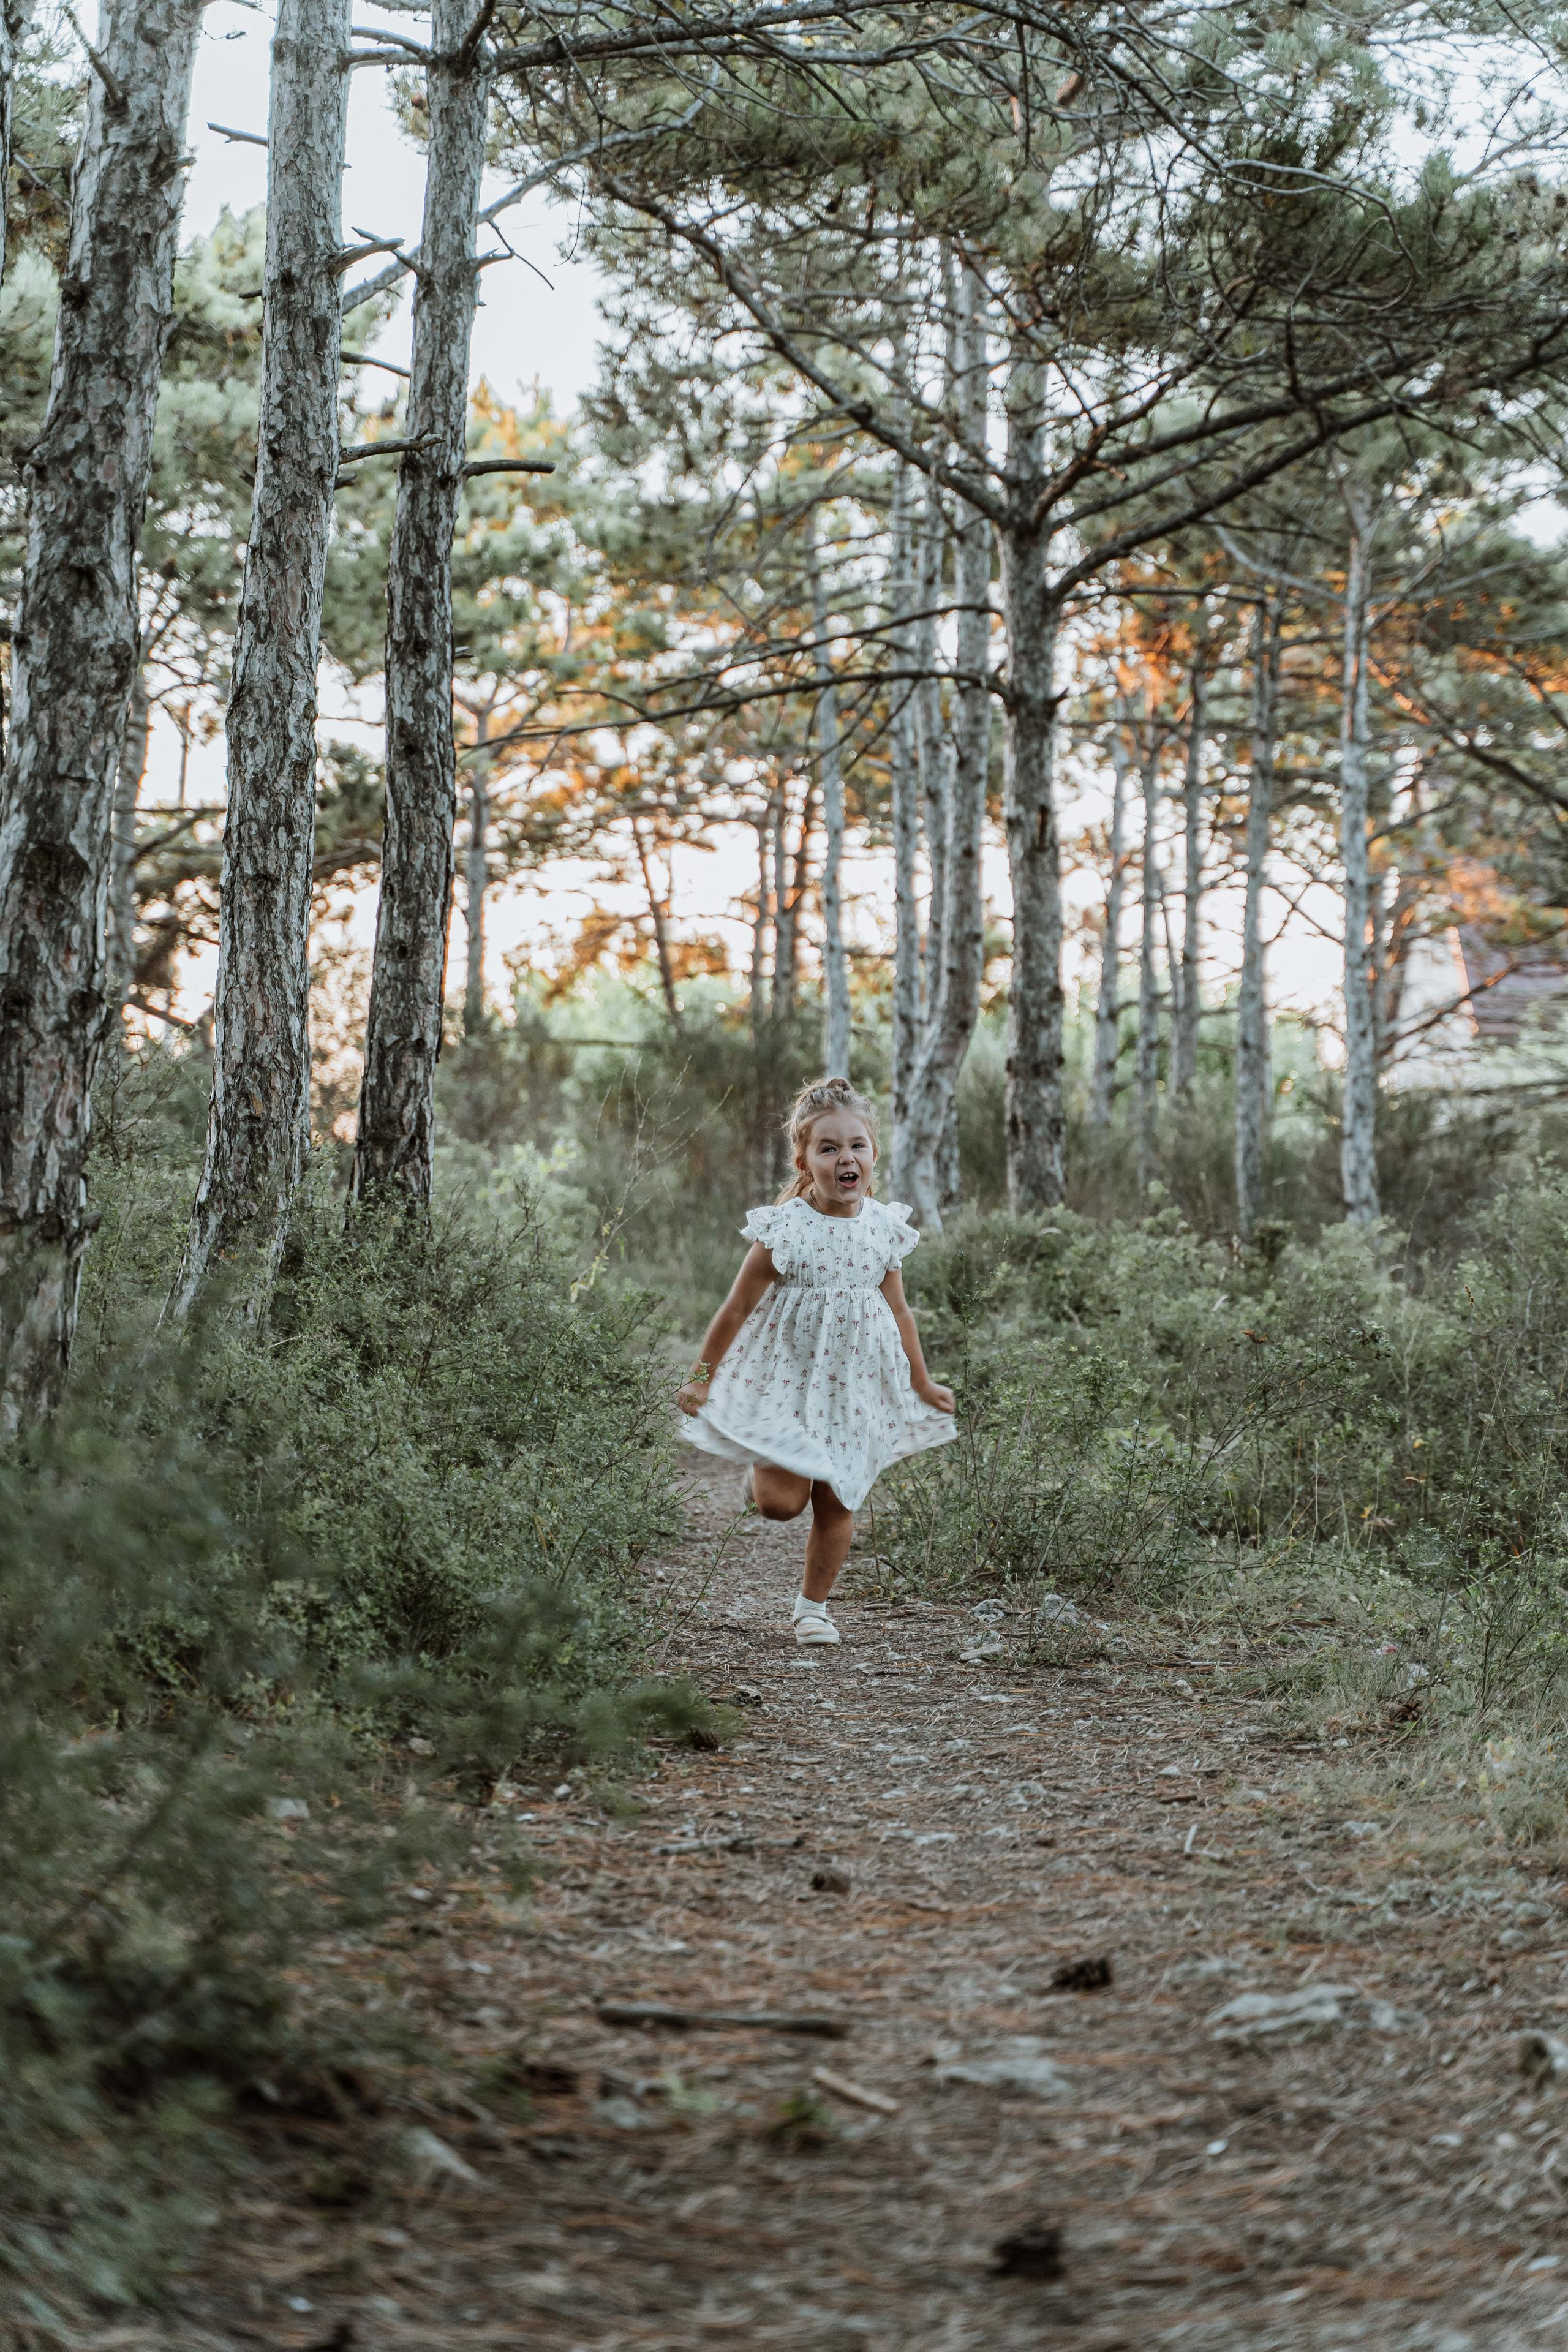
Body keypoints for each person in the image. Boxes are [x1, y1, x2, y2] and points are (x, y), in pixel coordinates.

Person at [677, 1076, 957, 1645]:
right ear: (803, 1159)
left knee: (839, 1497)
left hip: (856, 1387)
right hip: (788, 1384)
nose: (845, 1157)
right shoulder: (785, 1231)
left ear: (873, 1154)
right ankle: (761, 1477)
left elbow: (900, 1312)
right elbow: (734, 1309)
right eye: (828, 1148)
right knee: (781, 1506)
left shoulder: (884, 1228)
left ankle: (813, 1610)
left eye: (856, 1145)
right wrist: (700, 1380)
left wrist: (922, 1383)